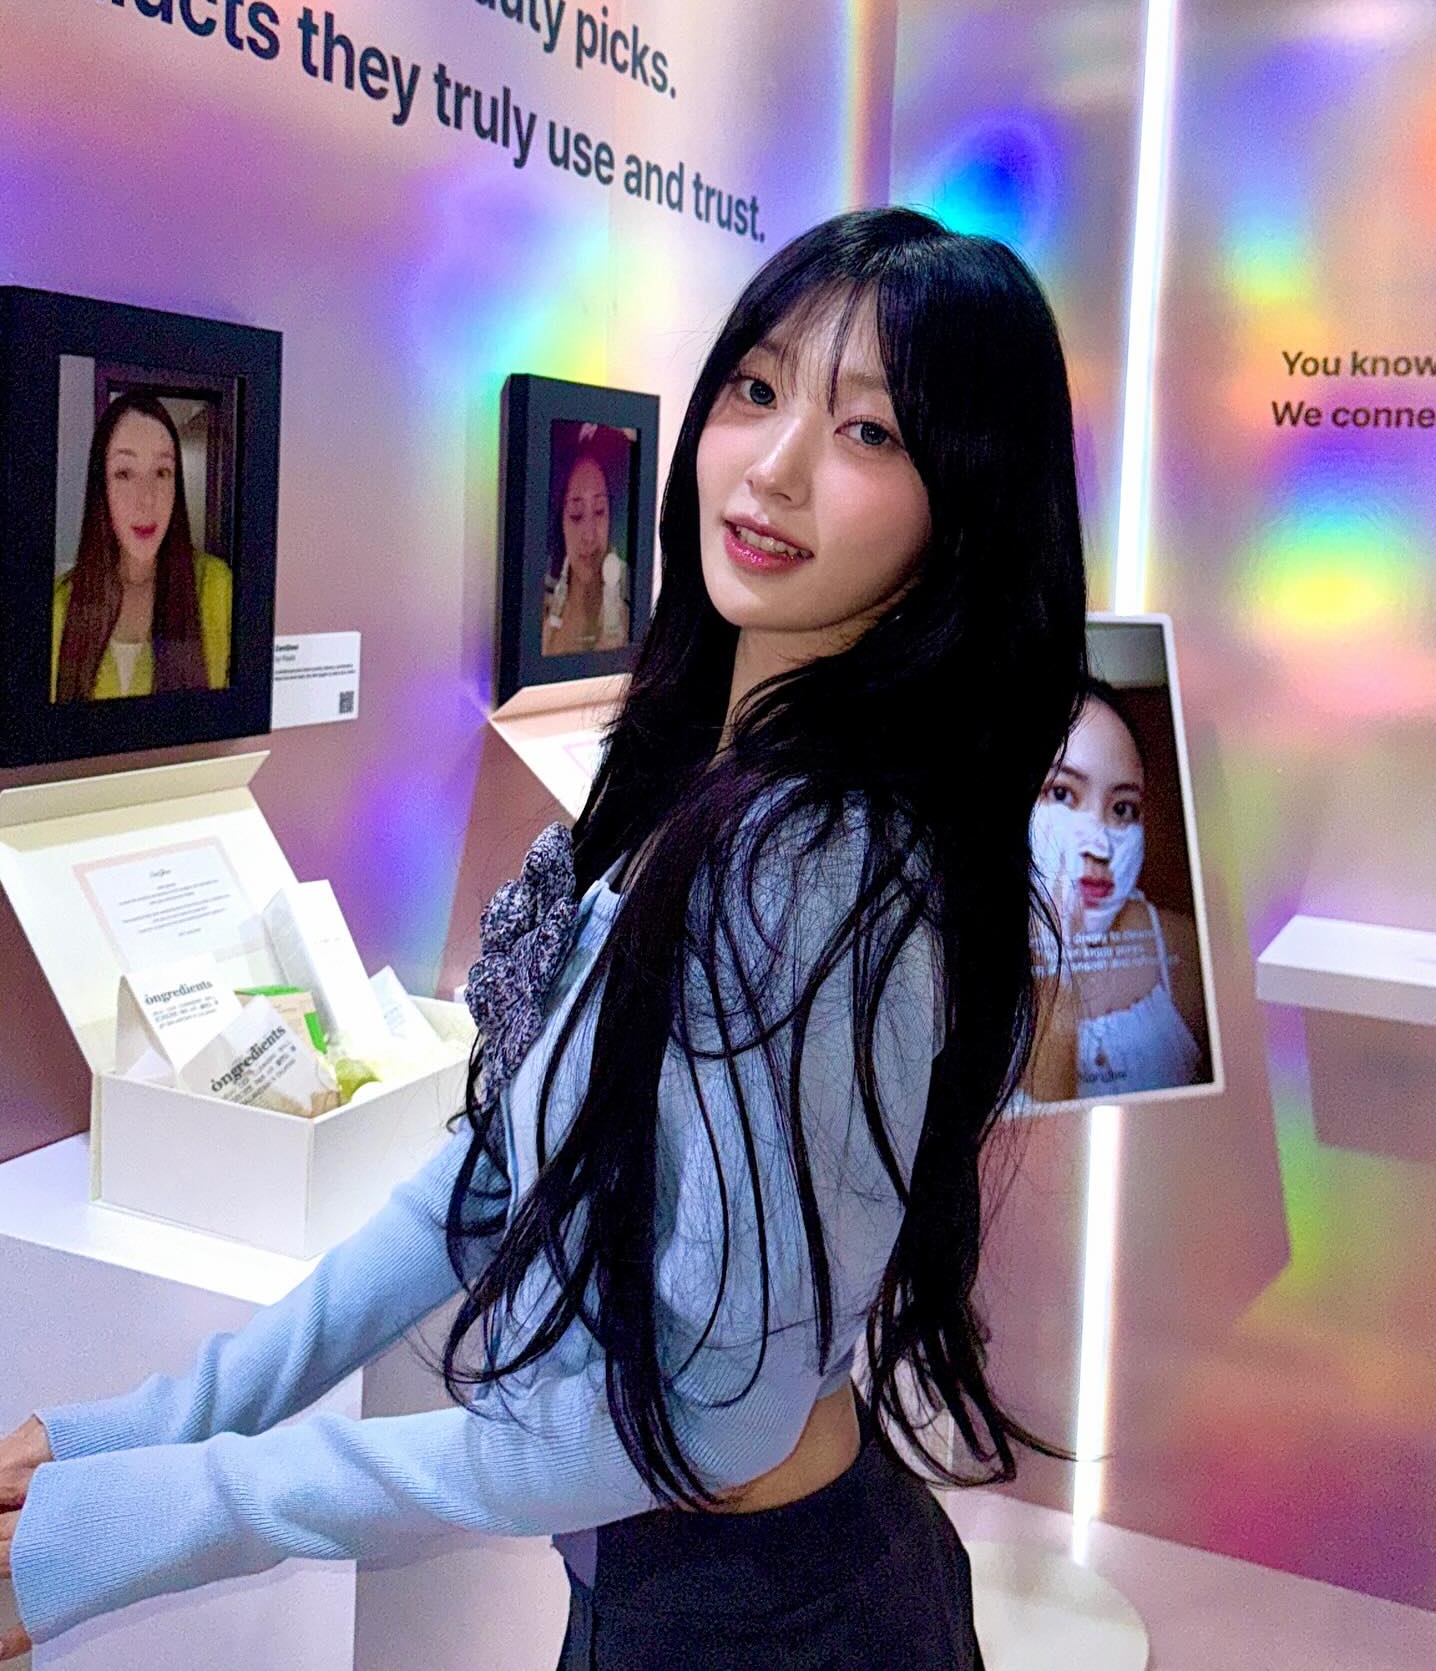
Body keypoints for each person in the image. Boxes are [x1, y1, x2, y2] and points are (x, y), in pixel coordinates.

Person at [0, 206, 1090, 1668]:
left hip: (761, 1621)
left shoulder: (818, 861)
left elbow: (694, 1423)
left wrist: (165, 1505)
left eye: (869, 431)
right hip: (695, 1587)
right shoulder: (704, 777)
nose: (772, 466)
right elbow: (495, 1175)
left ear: (967, 501)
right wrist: (144, 1430)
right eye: (758, 386)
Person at [1029, 680, 1207, 1099]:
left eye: (1122, 809)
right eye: (1062, 794)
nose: (1100, 847)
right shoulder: (948, 965)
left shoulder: (1187, 951)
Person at [52, 389, 232, 702]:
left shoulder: (216, 588)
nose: (147, 498)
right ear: (102, 486)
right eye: (124, 473)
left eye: (162, 472)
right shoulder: (59, 606)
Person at [542, 427, 632, 657]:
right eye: (576, 514)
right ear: (560, 522)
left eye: (600, 510)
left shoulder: (631, 627)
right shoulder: (540, 618)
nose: (590, 535)